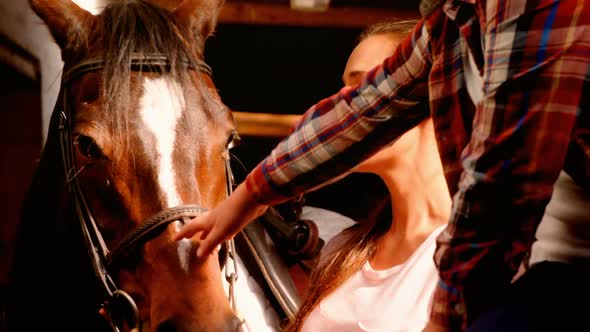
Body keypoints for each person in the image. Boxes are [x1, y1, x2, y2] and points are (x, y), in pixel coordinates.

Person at [175, 1, 590, 331]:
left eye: (358, 78)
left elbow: (505, 183)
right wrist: (249, 196)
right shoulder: (454, 21)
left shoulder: (534, 8)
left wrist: (444, 320)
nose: (345, 92)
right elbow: (367, 108)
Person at [281, 19, 451, 332]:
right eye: (343, 87)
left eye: (362, 85)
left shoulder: (468, 255)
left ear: (429, 95)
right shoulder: (344, 250)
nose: (340, 104)